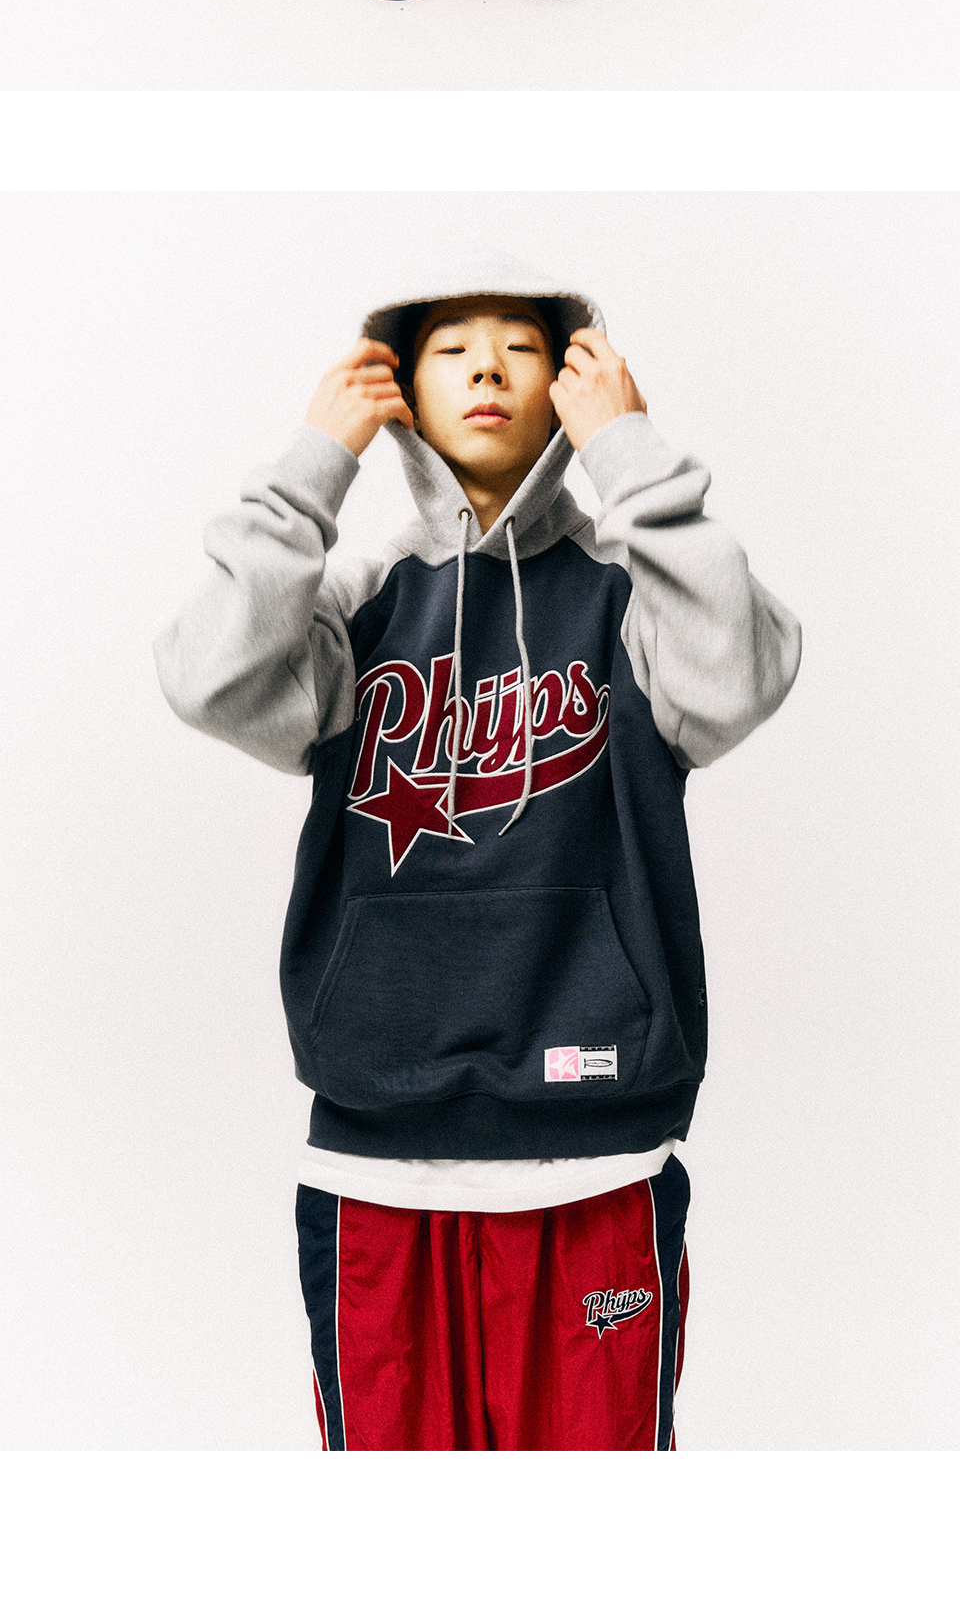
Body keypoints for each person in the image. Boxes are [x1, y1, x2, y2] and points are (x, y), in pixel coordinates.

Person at [156, 285, 801, 1453]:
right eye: (452, 347)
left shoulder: (629, 595)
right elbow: (206, 674)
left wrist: (629, 449)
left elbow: (741, 672)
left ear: (571, 379)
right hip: (379, 1167)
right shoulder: (357, 603)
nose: (489, 367)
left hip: (599, 1159)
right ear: (401, 387)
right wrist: (310, 467)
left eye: (521, 345)